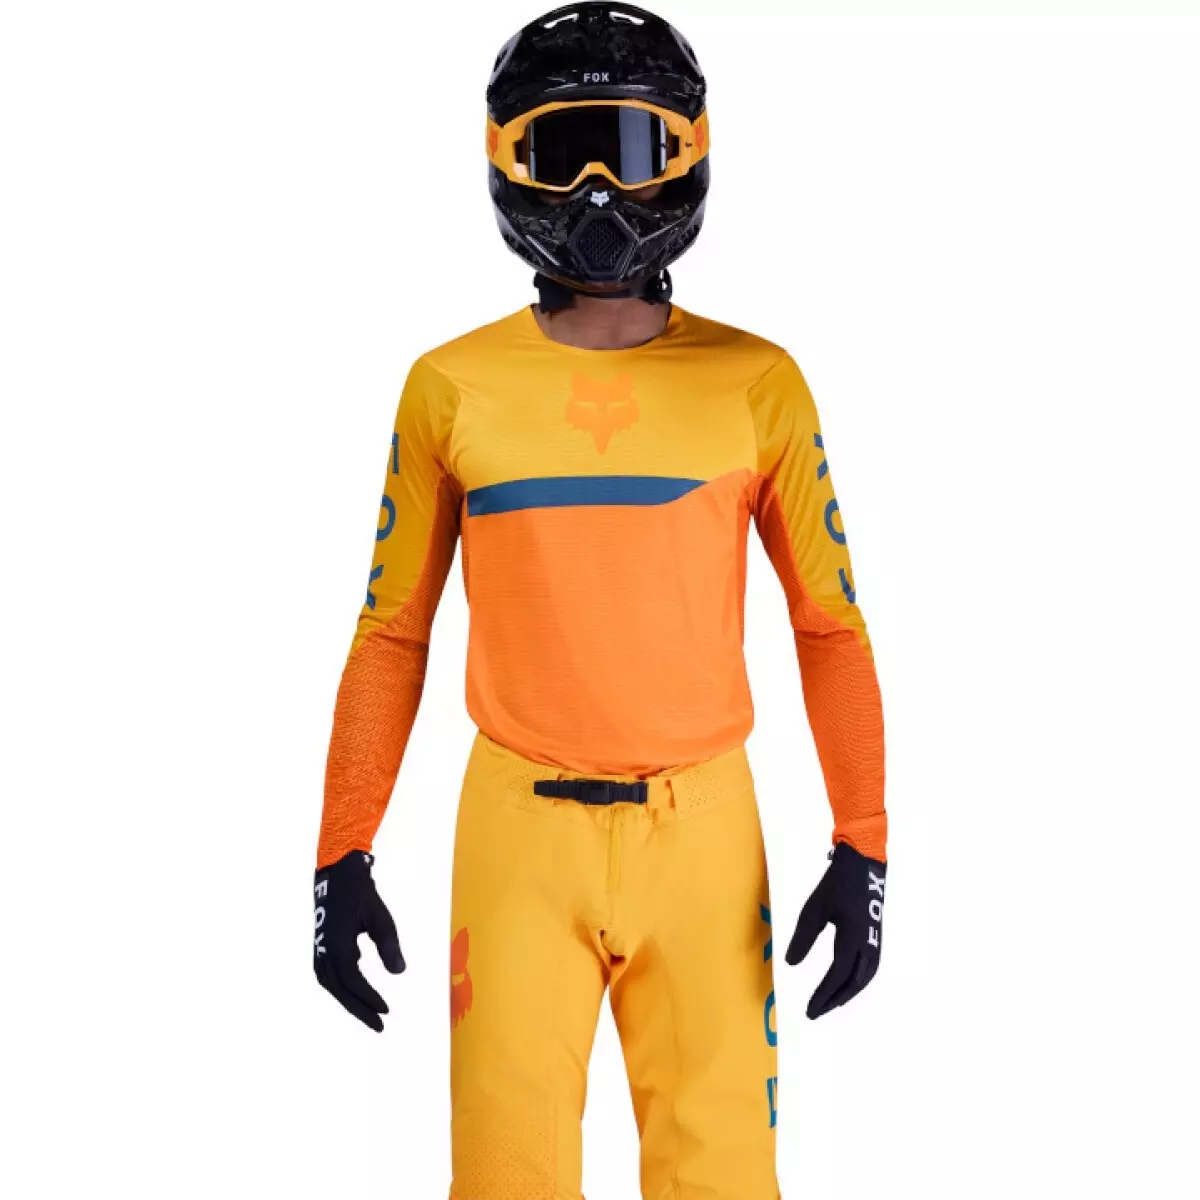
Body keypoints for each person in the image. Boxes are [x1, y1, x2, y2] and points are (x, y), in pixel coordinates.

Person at [312, 4, 887, 1197]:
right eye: (562, 151)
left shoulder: (759, 384)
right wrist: (342, 853)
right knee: (507, 1181)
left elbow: (828, 626)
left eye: (627, 150)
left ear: (688, 153)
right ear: (505, 159)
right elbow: (393, 631)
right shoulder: (450, 387)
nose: (595, 190)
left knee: (724, 1183)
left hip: (705, 837)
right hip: (518, 835)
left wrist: (864, 847)